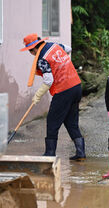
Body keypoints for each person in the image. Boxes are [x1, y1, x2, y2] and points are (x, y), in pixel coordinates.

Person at [20, 33, 86, 161]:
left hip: (63, 90)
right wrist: (60, 64)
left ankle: (50, 154)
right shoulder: (55, 46)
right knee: (71, 122)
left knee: (52, 121)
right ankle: (80, 152)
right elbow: (68, 49)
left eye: (30, 51)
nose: (30, 53)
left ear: (34, 48)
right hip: (76, 86)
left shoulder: (42, 58)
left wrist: (37, 95)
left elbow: (48, 81)